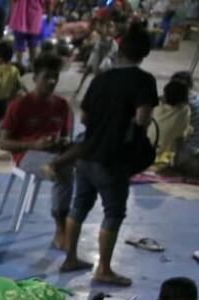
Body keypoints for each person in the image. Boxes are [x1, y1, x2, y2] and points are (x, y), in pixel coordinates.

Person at [56, 22, 158, 286]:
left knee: (79, 206)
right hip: (113, 158)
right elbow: (143, 119)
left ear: (120, 51)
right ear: (144, 54)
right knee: (113, 212)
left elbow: (86, 116)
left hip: (86, 153)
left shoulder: (100, 79)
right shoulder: (144, 81)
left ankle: (70, 258)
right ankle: (103, 268)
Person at [0, 52, 72, 250]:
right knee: (60, 171)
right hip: (27, 155)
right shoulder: (19, 105)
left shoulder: (62, 105)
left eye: (55, 77)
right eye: (46, 77)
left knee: (86, 168)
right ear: (34, 78)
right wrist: (34, 145)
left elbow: (67, 137)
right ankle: (61, 229)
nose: (51, 81)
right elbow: (3, 143)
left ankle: (73, 223)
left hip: (54, 152)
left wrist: (60, 142)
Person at [152, 80, 192, 166]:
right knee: (187, 133)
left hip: (143, 154)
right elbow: (182, 138)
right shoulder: (184, 111)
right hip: (165, 159)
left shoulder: (154, 106)